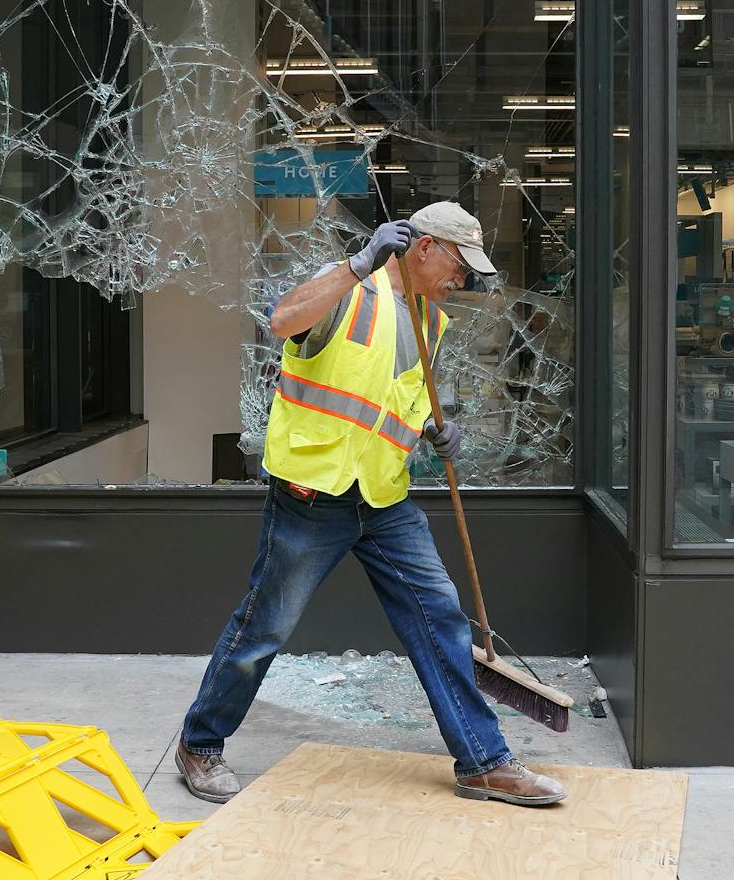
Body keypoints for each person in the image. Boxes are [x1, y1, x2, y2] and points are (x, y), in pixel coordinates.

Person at [174, 201, 566, 808]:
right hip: (313, 496)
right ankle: (201, 745)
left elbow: (394, 402)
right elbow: (282, 320)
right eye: (459, 265)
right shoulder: (346, 288)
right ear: (424, 247)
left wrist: (436, 431)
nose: (462, 279)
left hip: (385, 497)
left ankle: (484, 762)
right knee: (263, 629)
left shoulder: (431, 321)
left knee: (440, 618)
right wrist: (357, 263)